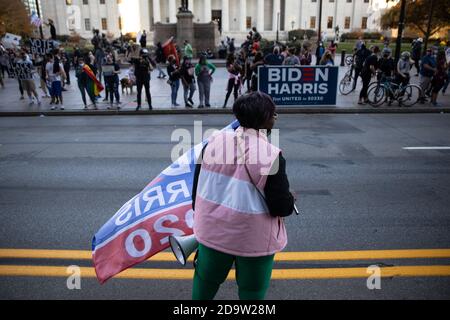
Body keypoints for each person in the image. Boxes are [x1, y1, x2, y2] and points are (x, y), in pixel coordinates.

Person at [191, 91, 295, 300]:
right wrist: (290, 199)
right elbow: (281, 207)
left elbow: (196, 191)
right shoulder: (272, 155)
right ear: (264, 118)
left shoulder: (212, 141)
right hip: (252, 240)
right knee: (252, 290)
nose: (276, 117)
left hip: (212, 233)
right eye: (273, 113)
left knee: (205, 281)